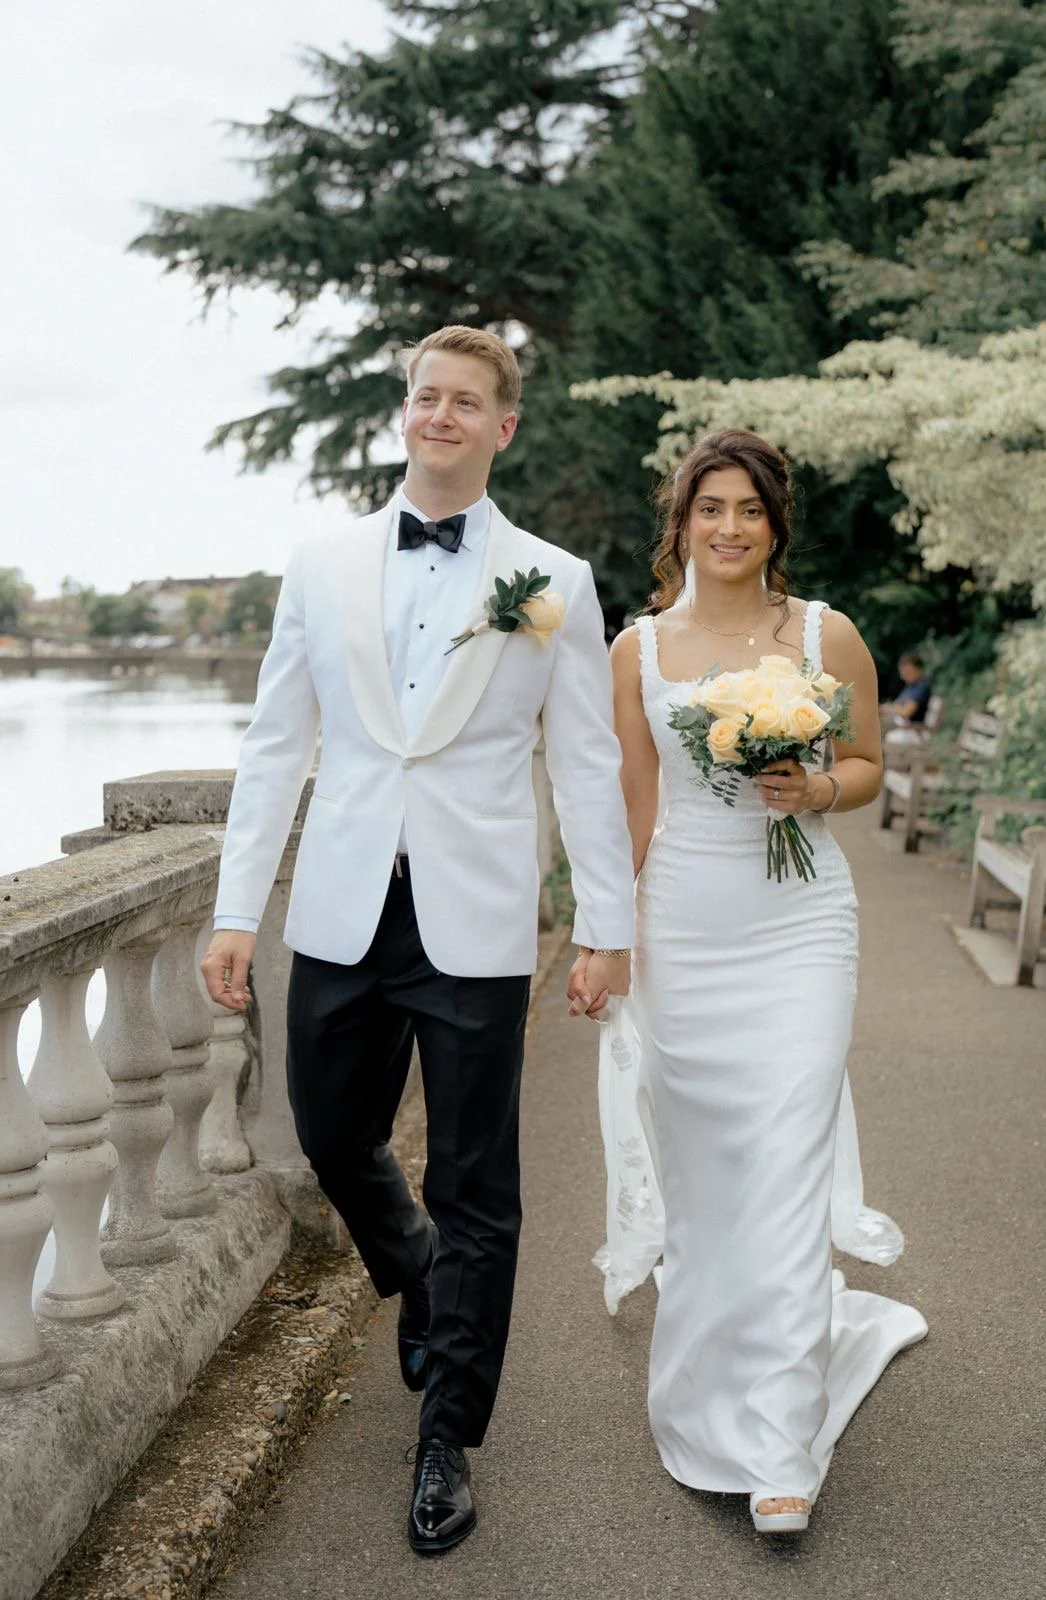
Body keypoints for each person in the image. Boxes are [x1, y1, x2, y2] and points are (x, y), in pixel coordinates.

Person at [200, 325, 634, 1556]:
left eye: (465, 402)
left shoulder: (551, 578)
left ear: (503, 426)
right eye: (423, 396)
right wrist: (237, 909)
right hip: (341, 904)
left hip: (477, 916)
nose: (439, 415)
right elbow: (276, 744)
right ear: (405, 413)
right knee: (332, 1131)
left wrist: (605, 925)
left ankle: (447, 1435)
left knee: (477, 1183)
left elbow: (587, 766)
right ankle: (413, 1264)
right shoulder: (322, 562)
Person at [570, 429, 926, 1535]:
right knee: (709, 1169)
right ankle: (720, 1358)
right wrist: (603, 935)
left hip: (801, 924)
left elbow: (864, 763)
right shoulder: (634, 650)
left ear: (775, 525)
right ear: (678, 522)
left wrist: (814, 789)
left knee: (782, 1154)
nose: (728, 528)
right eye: (707, 508)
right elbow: (634, 800)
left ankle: (776, 1445)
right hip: (683, 923)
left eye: (749, 510)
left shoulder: (825, 633)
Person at [882, 652, 934, 749]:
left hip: (912, 731)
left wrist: (893, 707)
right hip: (902, 728)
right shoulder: (910, 687)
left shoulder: (921, 687)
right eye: (902, 671)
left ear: (917, 669)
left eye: (907, 671)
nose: (903, 675)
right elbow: (897, 706)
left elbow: (906, 712)